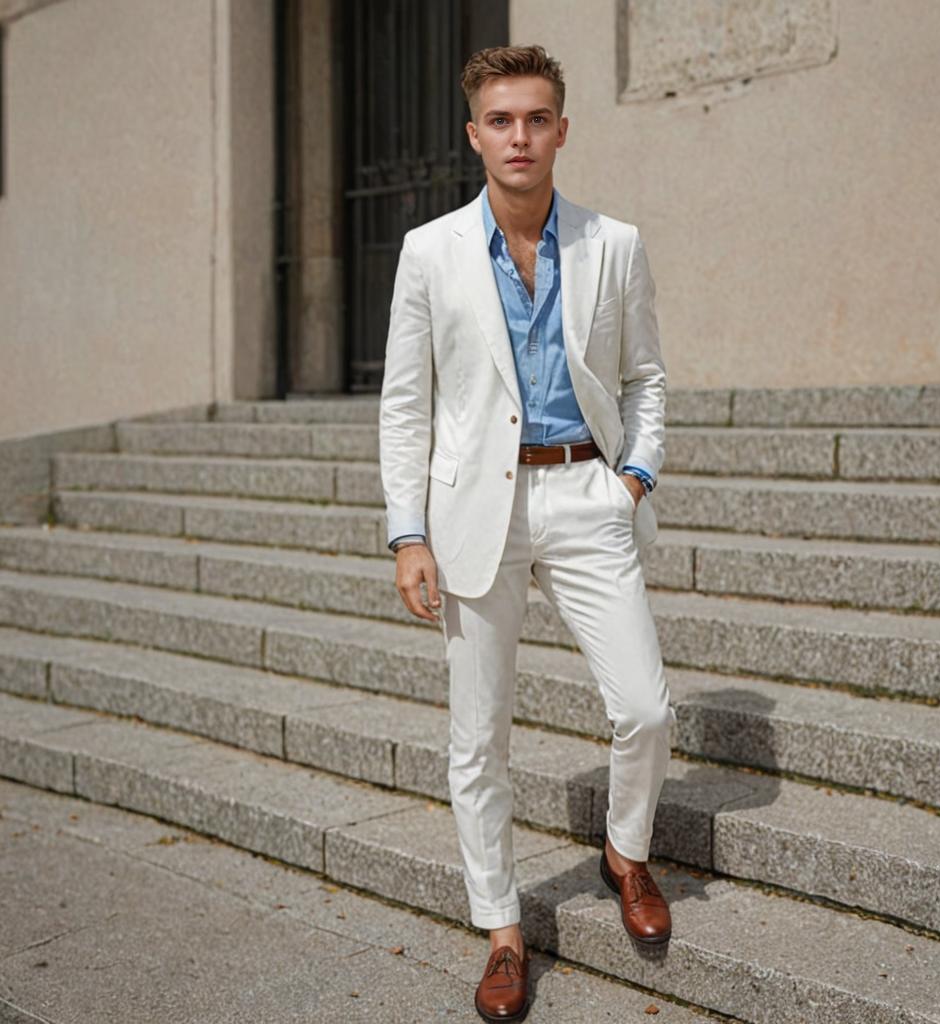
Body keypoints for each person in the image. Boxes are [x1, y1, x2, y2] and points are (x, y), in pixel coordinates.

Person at [378, 44, 676, 1022]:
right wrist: (406, 531)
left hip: (586, 494)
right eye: (501, 120)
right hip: (476, 510)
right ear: (475, 134)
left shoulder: (613, 243)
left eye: (536, 117)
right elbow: (405, 405)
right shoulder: (429, 252)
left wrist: (633, 474)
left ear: (560, 128)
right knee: (479, 737)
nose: (519, 135)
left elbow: (646, 377)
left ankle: (624, 853)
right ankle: (502, 930)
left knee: (644, 707)